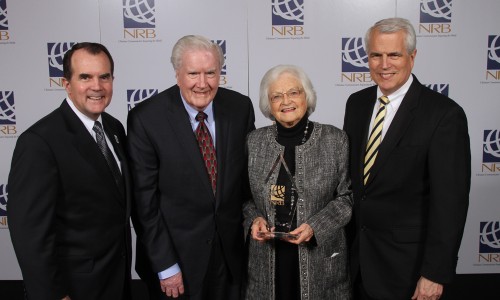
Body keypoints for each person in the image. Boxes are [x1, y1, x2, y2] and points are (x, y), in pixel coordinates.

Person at [343, 18, 470, 300]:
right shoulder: (356, 103)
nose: (383, 64)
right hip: (357, 263)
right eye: (376, 55)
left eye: (394, 55)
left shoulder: (444, 115)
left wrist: (434, 273)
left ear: (412, 57)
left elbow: (450, 204)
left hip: (408, 270)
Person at [127, 34, 255, 300]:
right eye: (193, 73)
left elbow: (246, 183)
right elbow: (144, 203)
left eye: (210, 73)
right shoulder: (146, 118)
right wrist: (166, 265)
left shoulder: (240, 107)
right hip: (176, 262)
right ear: (177, 74)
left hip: (231, 260)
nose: (202, 83)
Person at [7, 42, 132, 300]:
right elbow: (30, 236)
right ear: (67, 84)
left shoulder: (114, 128)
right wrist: (53, 294)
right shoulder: (39, 142)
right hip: (73, 290)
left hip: (116, 282)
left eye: (104, 77)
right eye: (85, 77)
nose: (97, 86)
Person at [243, 64, 353, 300]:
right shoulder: (254, 142)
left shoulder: (335, 140)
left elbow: (347, 198)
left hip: (320, 260)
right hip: (267, 261)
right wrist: (255, 219)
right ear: (268, 104)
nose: (286, 102)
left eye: (294, 92)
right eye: (277, 96)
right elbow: (244, 199)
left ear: (307, 96)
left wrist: (316, 226)